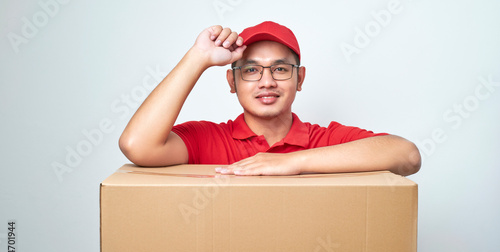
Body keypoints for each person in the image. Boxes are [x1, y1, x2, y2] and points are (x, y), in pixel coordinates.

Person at [119, 21, 421, 176]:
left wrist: (293, 162)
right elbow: (137, 146)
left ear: (299, 79)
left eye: (280, 69)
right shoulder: (208, 139)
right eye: (251, 70)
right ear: (232, 82)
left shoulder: (323, 141)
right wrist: (198, 57)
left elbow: (407, 155)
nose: (267, 81)